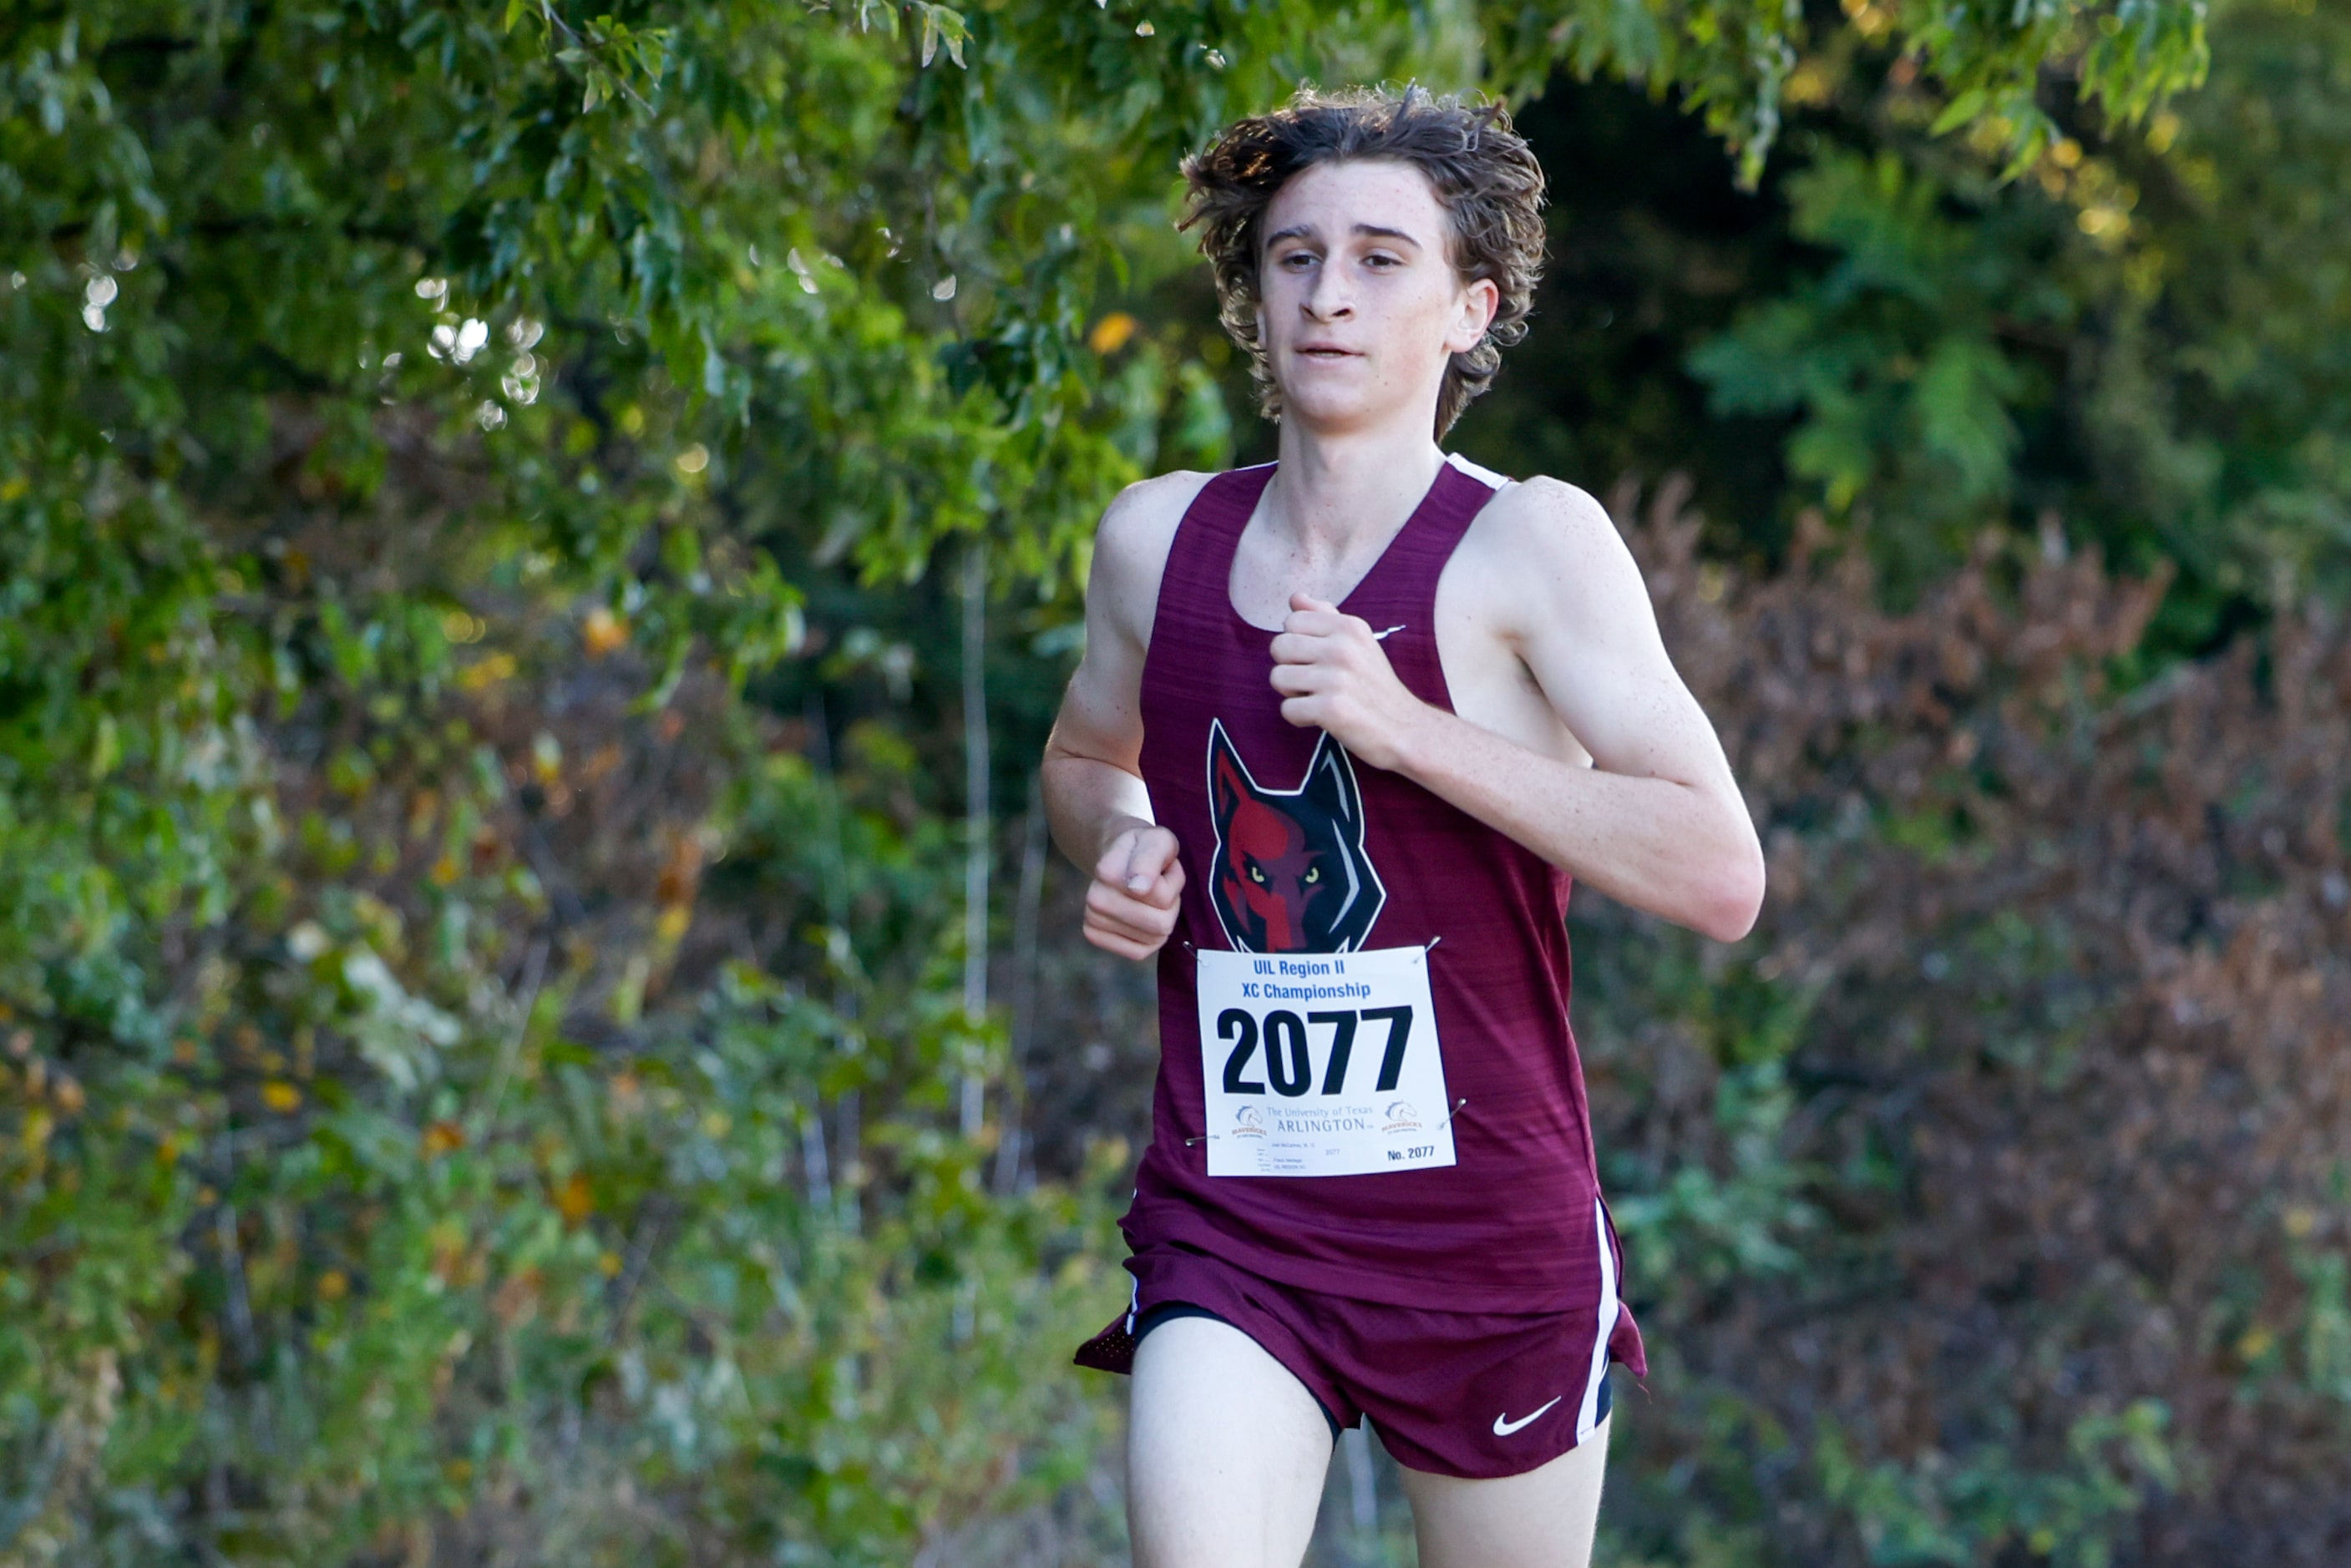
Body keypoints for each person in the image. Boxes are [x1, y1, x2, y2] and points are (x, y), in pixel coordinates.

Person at [1040, 85, 1765, 1568]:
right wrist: (1118, 837)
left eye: (1382, 259)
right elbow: (1080, 754)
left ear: (1467, 306)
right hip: (1236, 1221)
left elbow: (1717, 869)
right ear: (1253, 291)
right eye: (1296, 257)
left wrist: (1404, 728)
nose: (1330, 296)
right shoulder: (1153, 540)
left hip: (1489, 1244)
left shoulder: (1528, 546)